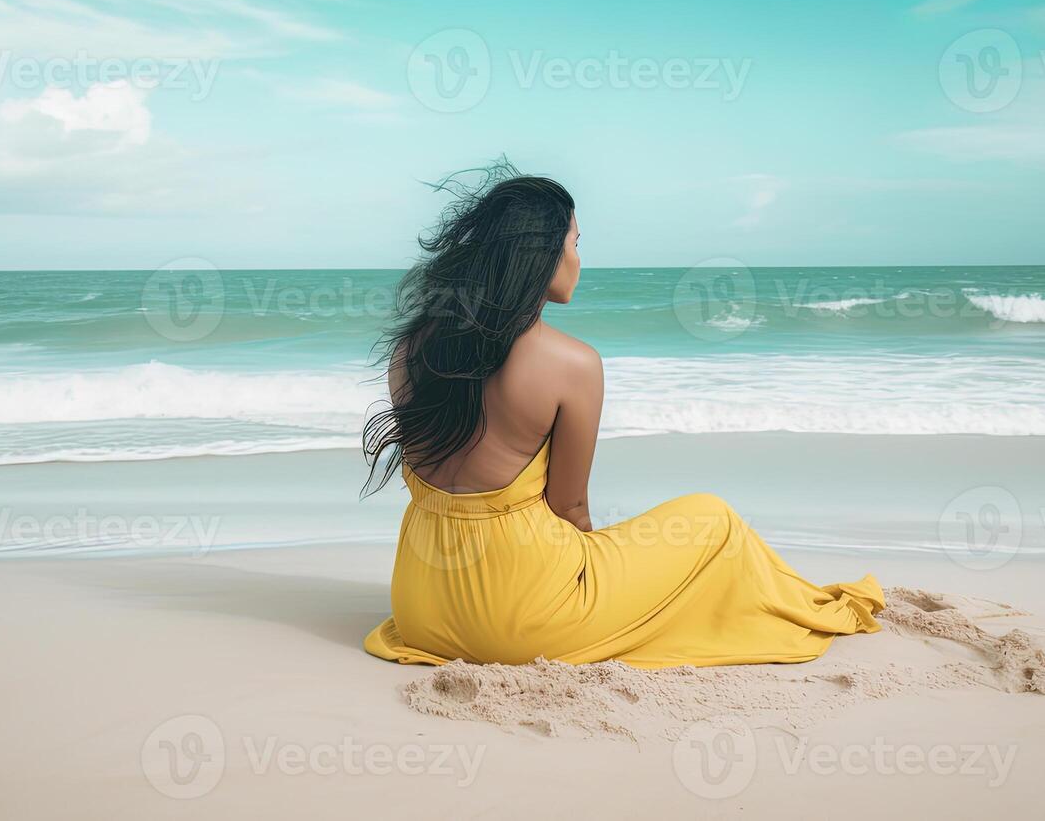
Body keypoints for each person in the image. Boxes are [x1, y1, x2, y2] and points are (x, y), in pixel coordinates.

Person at [363, 167, 883, 668]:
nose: (578, 259)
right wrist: (596, 580)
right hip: (521, 618)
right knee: (712, 518)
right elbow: (569, 507)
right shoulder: (573, 364)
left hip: (421, 609)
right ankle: (799, 609)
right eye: (575, 242)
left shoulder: (411, 348)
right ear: (543, 256)